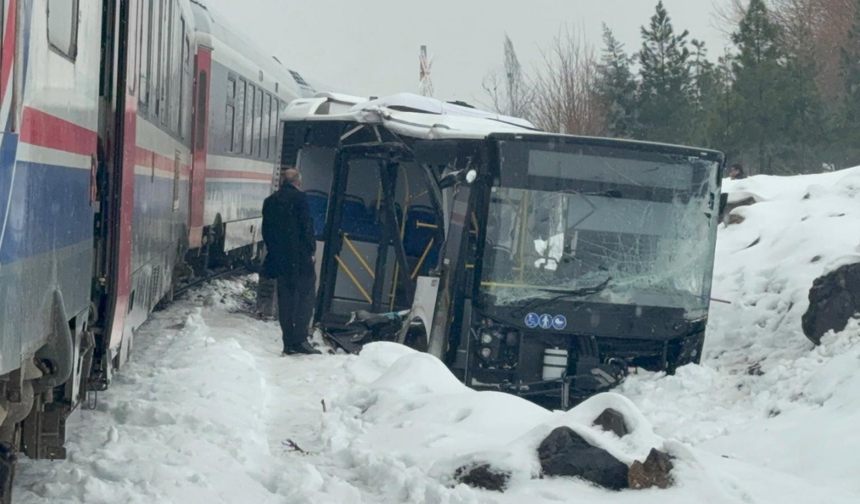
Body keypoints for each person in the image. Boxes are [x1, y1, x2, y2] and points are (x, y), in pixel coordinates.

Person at [262, 168, 322, 355]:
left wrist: (274, 253)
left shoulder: (270, 202)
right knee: (305, 297)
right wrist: (311, 249)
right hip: (300, 258)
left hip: (280, 259)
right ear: (298, 182)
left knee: (285, 299)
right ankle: (300, 339)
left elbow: (266, 231)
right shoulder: (300, 199)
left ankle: (288, 341)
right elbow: (306, 226)